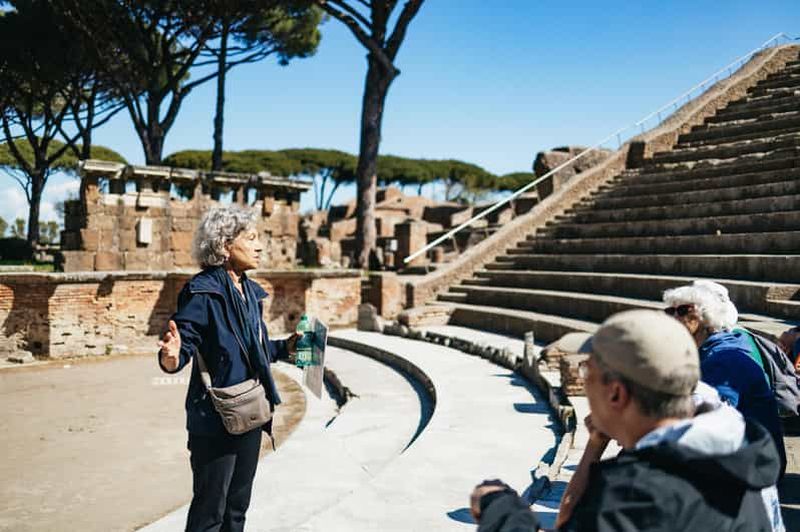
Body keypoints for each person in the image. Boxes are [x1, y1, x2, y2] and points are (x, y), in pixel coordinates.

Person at [470, 310, 785, 531]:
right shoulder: (741, 450)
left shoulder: (636, 494)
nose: (584, 380)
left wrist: (499, 508)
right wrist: (596, 442)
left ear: (616, 394)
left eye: (587, 373)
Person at [157, 206, 298, 532]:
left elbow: (255, 351)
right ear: (223, 246)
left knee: (237, 509)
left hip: (250, 412)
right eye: (251, 238)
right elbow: (183, 345)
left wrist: (285, 347)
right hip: (215, 420)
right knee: (210, 514)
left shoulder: (250, 291)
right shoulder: (202, 291)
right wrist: (171, 357)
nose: (260, 245)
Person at [662, 280, 786, 472]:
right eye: (670, 312)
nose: (675, 318)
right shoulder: (707, 351)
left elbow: (707, 422)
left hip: (755, 466)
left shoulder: (724, 359)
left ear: (706, 316)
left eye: (684, 310)